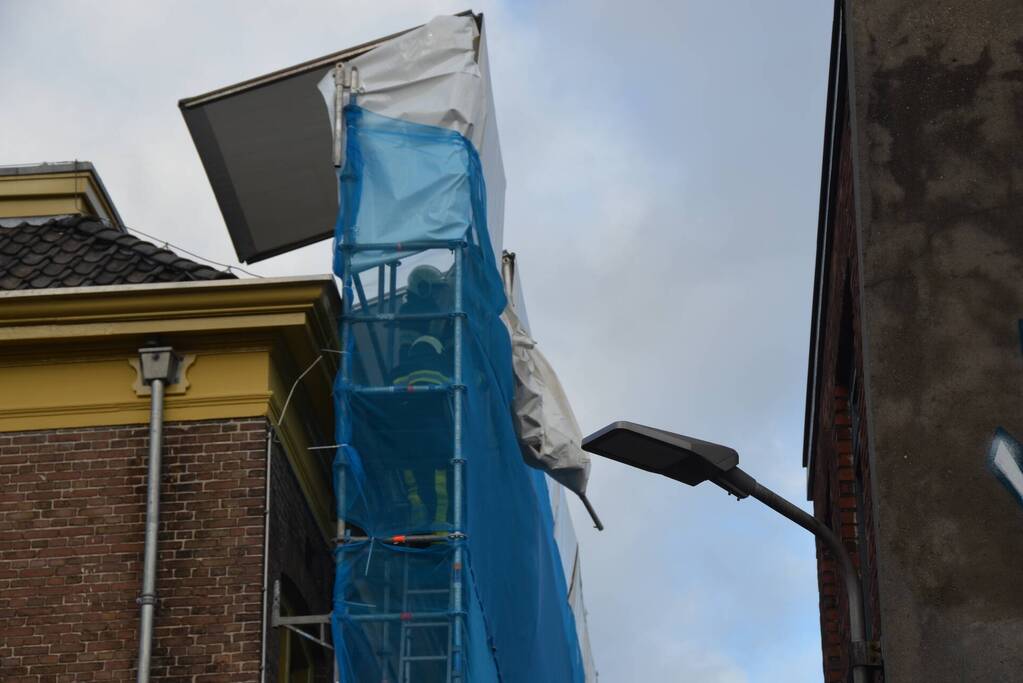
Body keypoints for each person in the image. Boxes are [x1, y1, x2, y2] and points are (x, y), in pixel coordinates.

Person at [390, 333, 453, 530]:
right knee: (441, 476)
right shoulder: (443, 367)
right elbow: (469, 385)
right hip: (436, 430)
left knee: (412, 478)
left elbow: (391, 396)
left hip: (407, 433)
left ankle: (418, 511)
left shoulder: (400, 370)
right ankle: (439, 522)